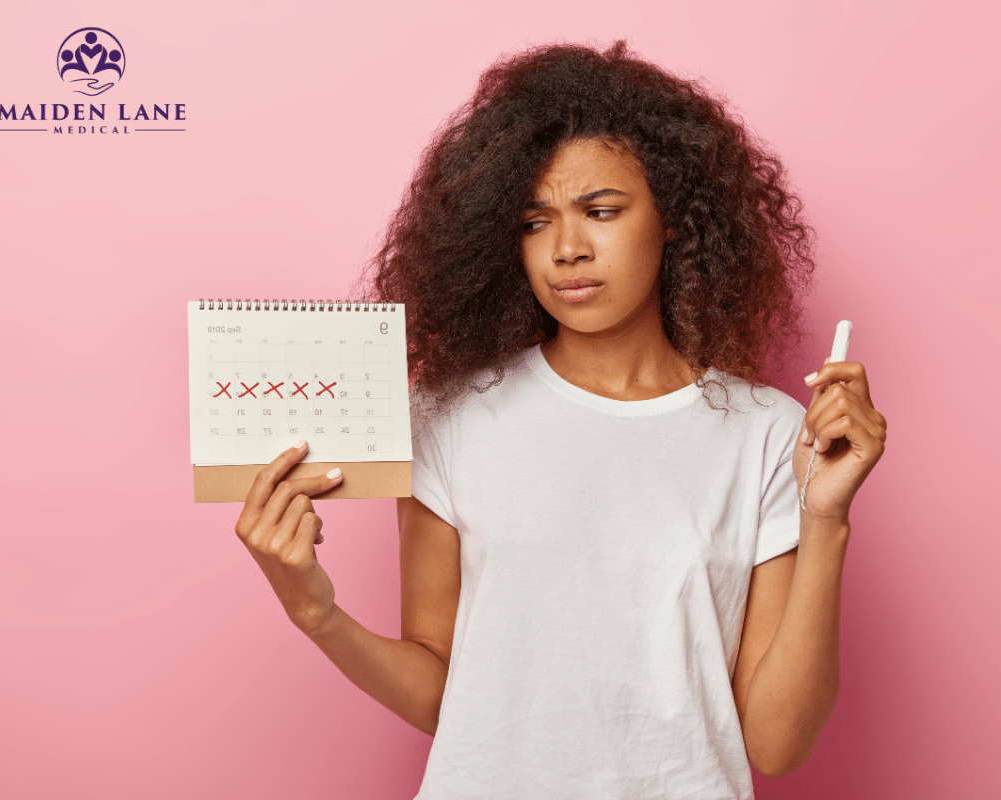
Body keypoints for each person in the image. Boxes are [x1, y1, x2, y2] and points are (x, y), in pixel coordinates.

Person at [233, 41, 886, 799]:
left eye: (601, 211)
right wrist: (315, 611)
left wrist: (828, 518)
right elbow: (444, 694)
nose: (567, 250)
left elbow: (777, 743)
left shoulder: (771, 434)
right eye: (535, 222)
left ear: (672, 216)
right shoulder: (449, 419)